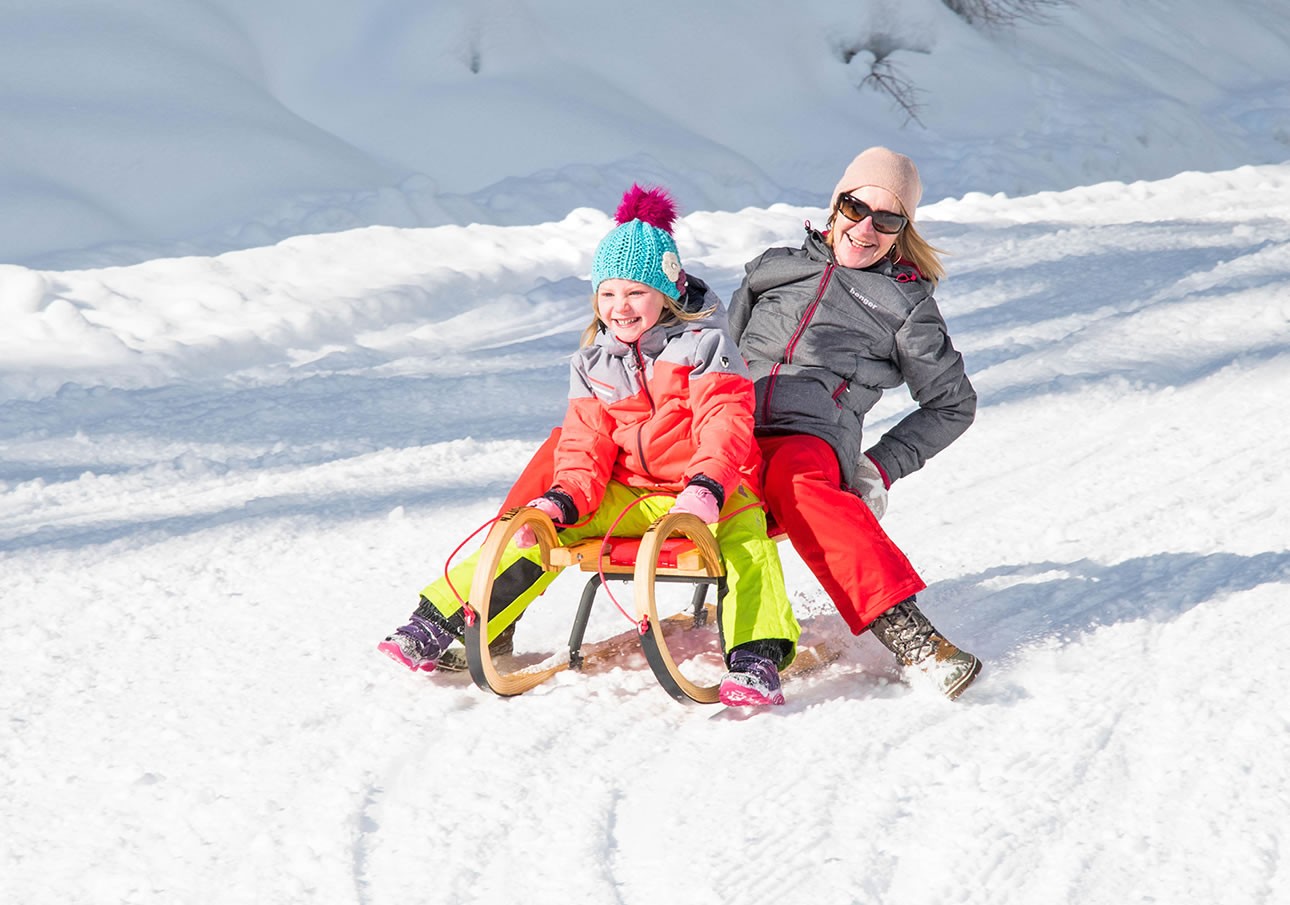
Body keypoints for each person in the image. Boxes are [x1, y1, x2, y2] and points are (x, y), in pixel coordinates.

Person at [380, 185, 801, 706]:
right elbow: (585, 445)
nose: (619, 308)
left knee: (746, 544)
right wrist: (563, 499)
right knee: (533, 533)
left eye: (635, 293)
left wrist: (708, 485)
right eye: (607, 294)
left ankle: (756, 658)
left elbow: (724, 423)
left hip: (714, 490)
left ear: (665, 294)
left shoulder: (706, 347)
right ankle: (437, 620)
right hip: (633, 495)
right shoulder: (592, 362)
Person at [727, 146, 981, 699]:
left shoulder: (903, 304)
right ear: (834, 205)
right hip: (728, 431)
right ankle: (493, 603)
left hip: (810, 439)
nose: (865, 228)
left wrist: (878, 467)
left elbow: (953, 404)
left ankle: (911, 637)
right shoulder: (773, 269)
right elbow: (723, 352)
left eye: (886, 219)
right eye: (855, 208)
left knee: (800, 489)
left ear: (901, 230)